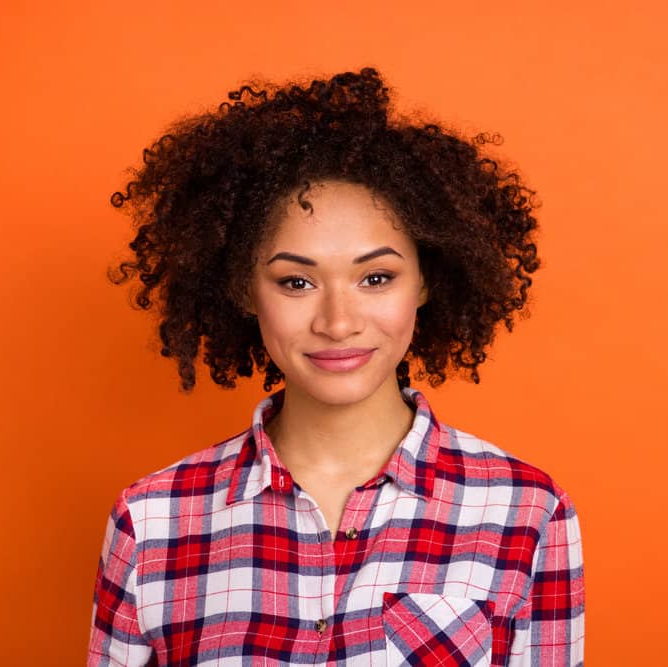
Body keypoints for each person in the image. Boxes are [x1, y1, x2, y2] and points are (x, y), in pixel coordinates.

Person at [88, 67, 585, 666]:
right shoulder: (152, 522)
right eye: (296, 281)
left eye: (376, 278)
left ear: (426, 280)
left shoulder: (527, 511)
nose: (338, 321)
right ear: (244, 291)